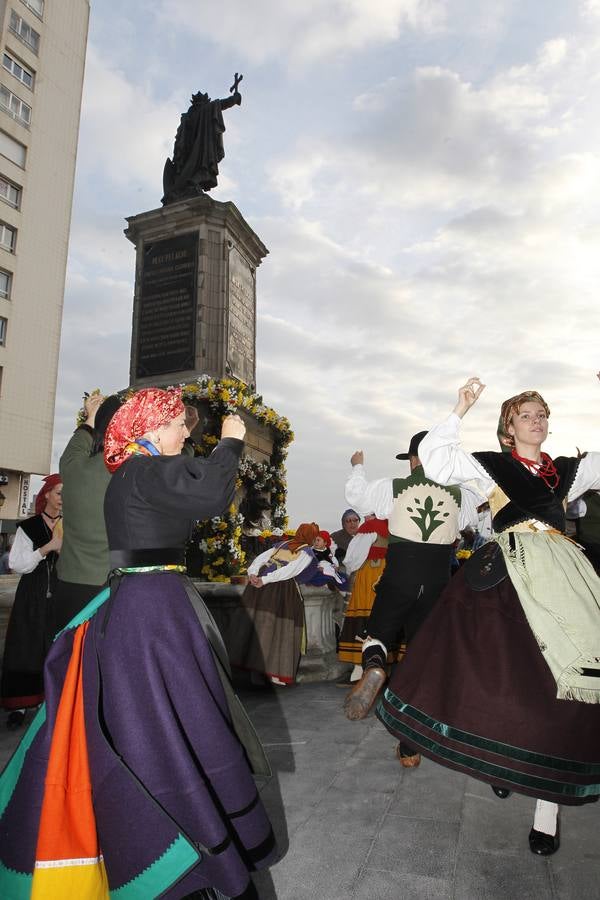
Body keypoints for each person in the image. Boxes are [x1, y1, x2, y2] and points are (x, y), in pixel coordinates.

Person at [0, 388, 277, 899]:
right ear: (148, 429)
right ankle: (176, 839)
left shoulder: (140, 471)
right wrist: (233, 441)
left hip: (153, 604)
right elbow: (212, 492)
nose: (186, 432)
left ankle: (178, 827)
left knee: (169, 722)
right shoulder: (141, 470)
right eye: (177, 423)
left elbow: (194, 481)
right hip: (150, 612)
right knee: (163, 727)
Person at [377, 378, 600, 856]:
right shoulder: (492, 467)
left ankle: (546, 813)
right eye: (526, 414)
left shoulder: (565, 471)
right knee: (501, 680)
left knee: (561, 689)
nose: (537, 421)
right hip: (508, 579)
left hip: (562, 577)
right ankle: (500, 760)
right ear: (508, 428)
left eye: (542, 414)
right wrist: (459, 408)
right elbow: (437, 459)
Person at [342, 439, 481, 735]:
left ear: (415, 461)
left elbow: (357, 496)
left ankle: (375, 666)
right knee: (420, 650)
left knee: (377, 634)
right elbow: (475, 518)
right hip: (438, 580)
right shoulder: (462, 496)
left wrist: (357, 466)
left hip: (400, 574)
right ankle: (410, 741)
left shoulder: (393, 487)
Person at [49, 392, 122, 636]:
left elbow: (77, 444)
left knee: (68, 659)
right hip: (108, 586)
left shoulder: (72, 466)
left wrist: (91, 416)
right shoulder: (127, 472)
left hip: (68, 584)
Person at [0, 474, 62, 728]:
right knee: (26, 647)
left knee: (55, 646)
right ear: (46, 494)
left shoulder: (73, 525)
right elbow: (16, 564)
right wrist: (47, 548)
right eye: (59, 492)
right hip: (32, 594)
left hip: (61, 592)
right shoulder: (29, 526)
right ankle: (22, 705)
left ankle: (52, 702)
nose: (63, 499)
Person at [228, 523, 320, 685]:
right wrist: (264, 579)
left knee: (259, 626)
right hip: (281, 590)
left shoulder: (282, 544)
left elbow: (260, 559)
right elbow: (290, 571)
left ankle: (257, 670)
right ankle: (274, 673)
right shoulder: (306, 552)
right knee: (281, 630)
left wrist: (253, 574)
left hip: (260, 589)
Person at [337, 515, 390, 686]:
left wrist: (349, 568)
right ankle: (385, 667)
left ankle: (359, 669)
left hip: (369, 573)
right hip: (387, 571)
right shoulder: (393, 524)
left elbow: (353, 557)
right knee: (385, 617)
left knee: (362, 615)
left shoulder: (369, 527)